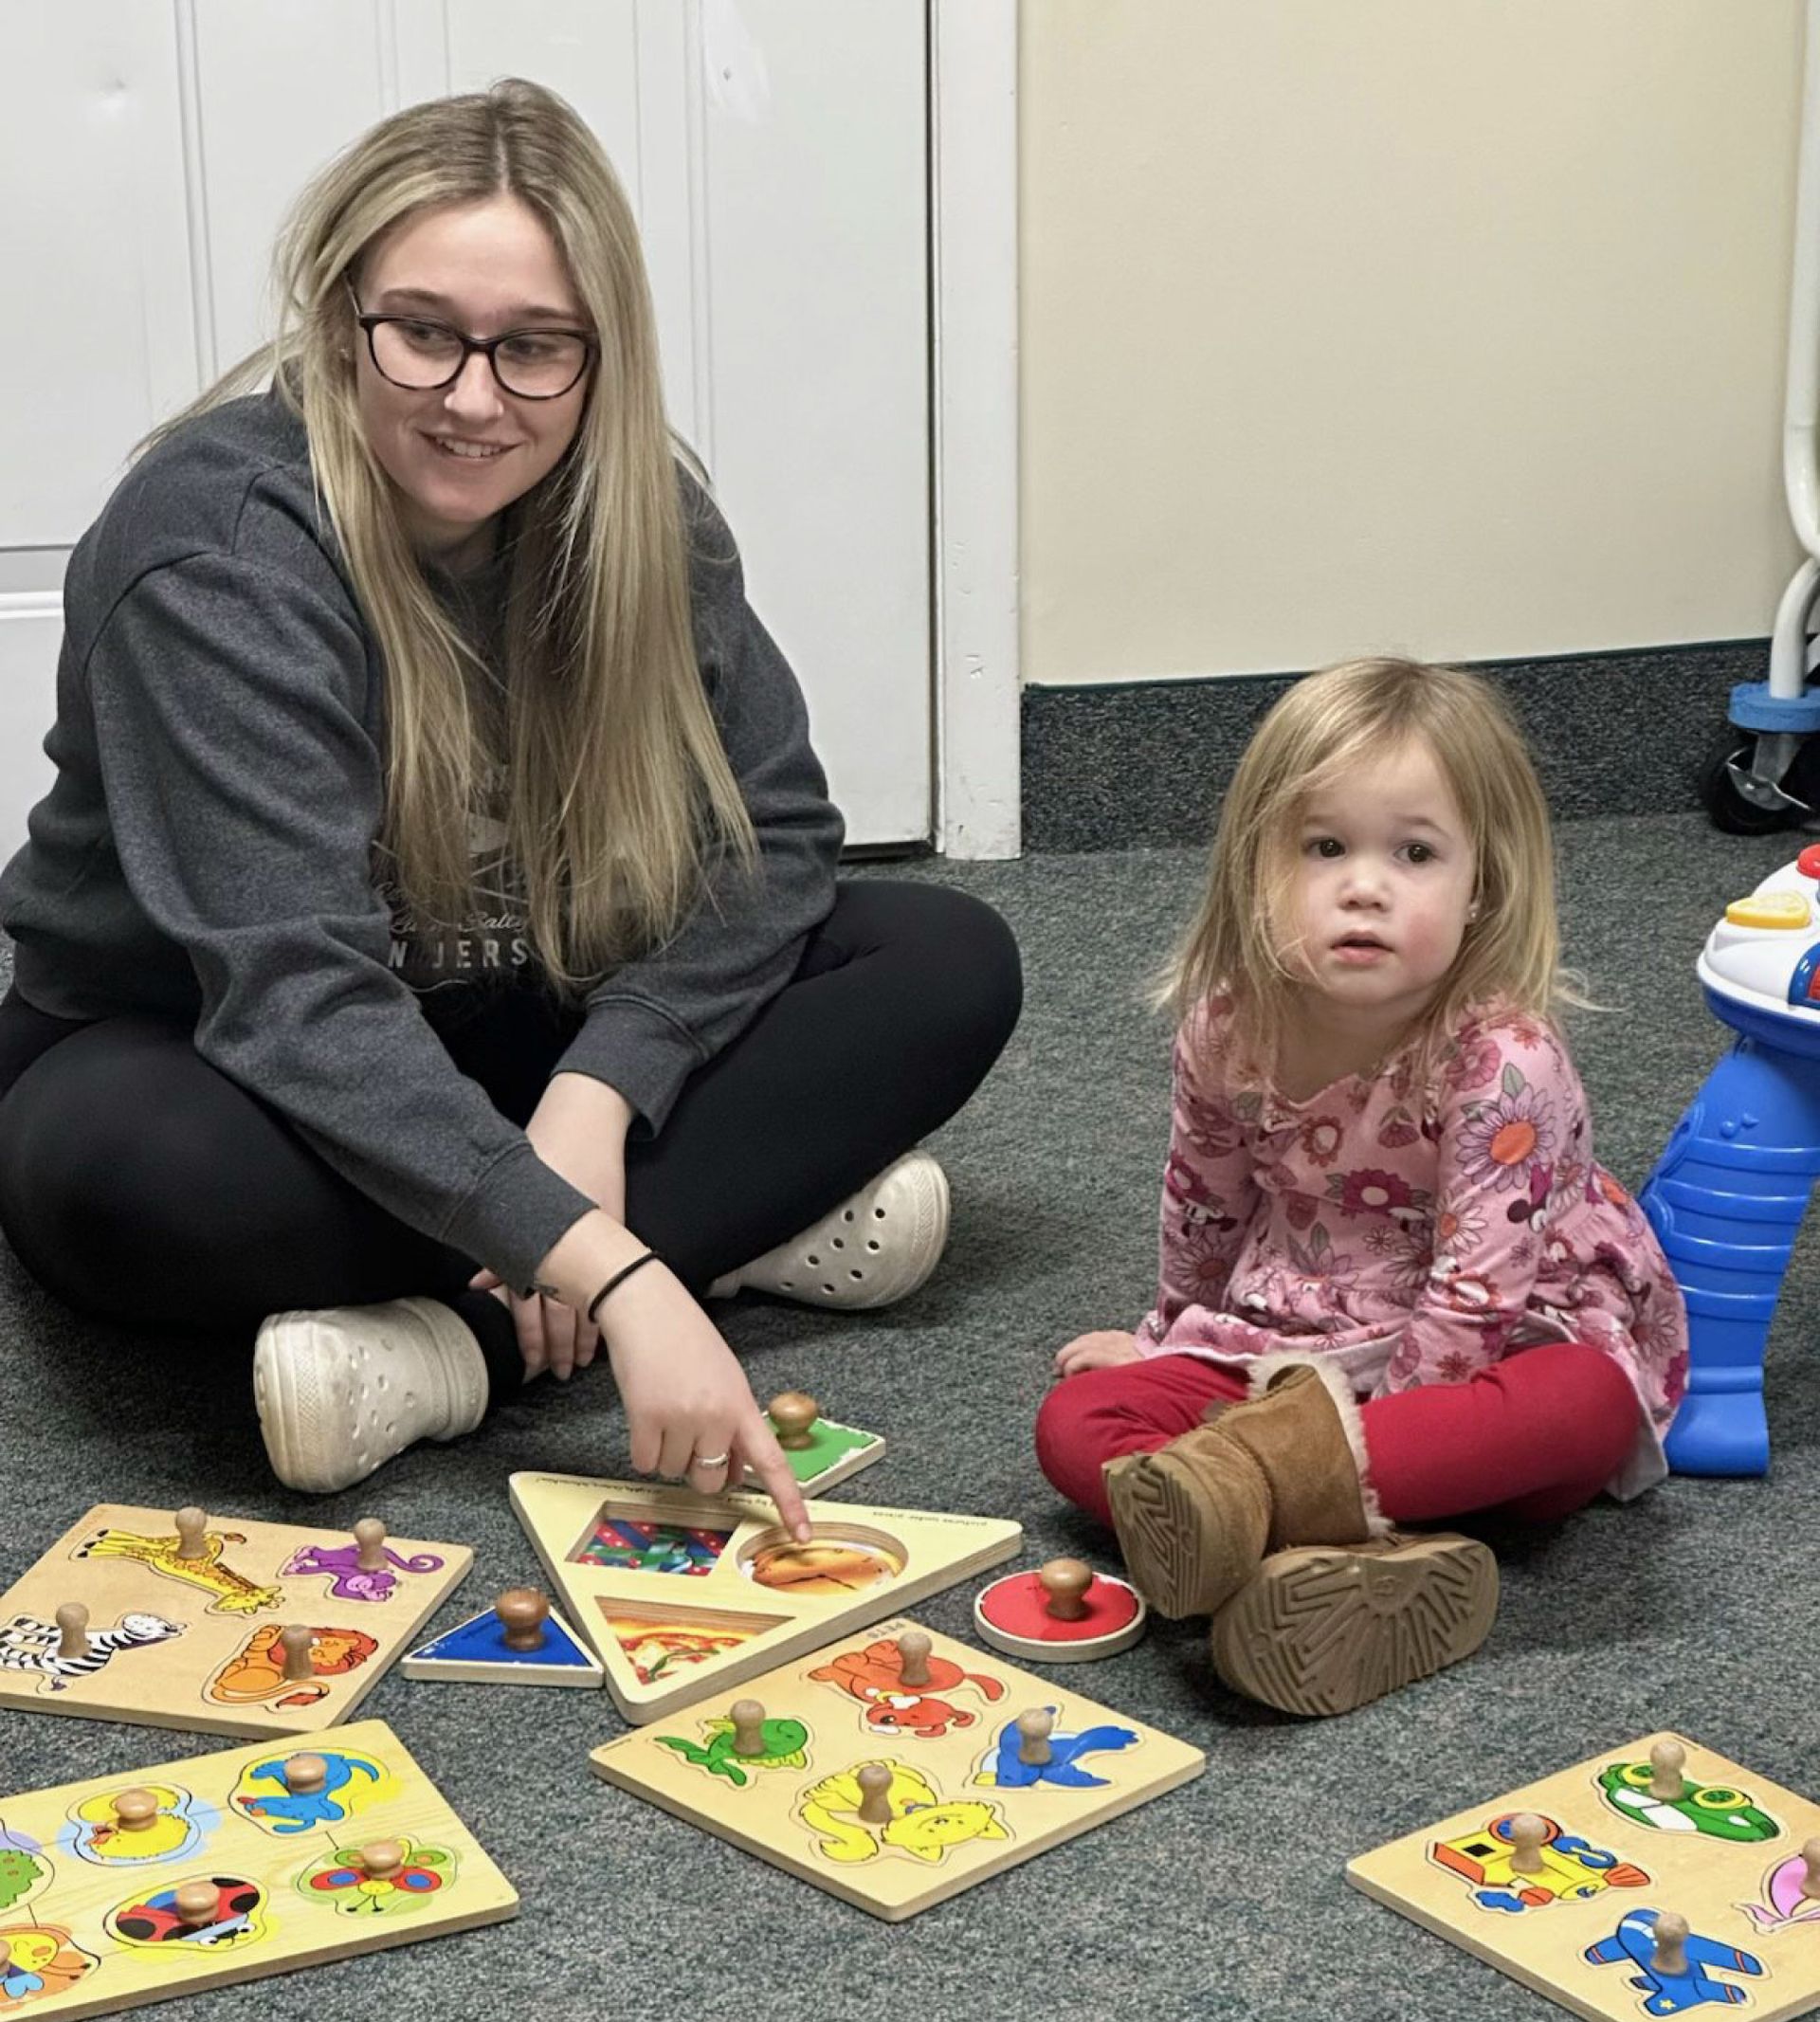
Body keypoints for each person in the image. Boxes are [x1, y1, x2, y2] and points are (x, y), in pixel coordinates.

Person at [0, 81, 1020, 1518]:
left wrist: (600, 1098)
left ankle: (449, 1348)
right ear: (335, 310)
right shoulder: (216, 548)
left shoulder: (645, 515)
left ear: (601, 359)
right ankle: (715, 1236)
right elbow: (295, 997)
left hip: (506, 1017)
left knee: (940, 959)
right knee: (123, 1176)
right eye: (422, 332)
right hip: (201, 1042)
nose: (473, 398)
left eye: (535, 349)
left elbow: (775, 833)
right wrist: (610, 1265)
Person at [1036, 657, 1686, 1719]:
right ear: (1258, 867)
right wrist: (1164, 1336)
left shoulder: (1504, 1060)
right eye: (1324, 847)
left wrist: (1365, 1436)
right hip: (1296, 1339)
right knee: (1077, 1420)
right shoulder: (1227, 1023)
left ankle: (1261, 1513)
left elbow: (1478, 1301)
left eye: (1415, 852)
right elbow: (1201, 1202)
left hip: (1487, 1352)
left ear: (1483, 885)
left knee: (1585, 1409)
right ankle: (1356, 1554)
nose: (1365, 885)